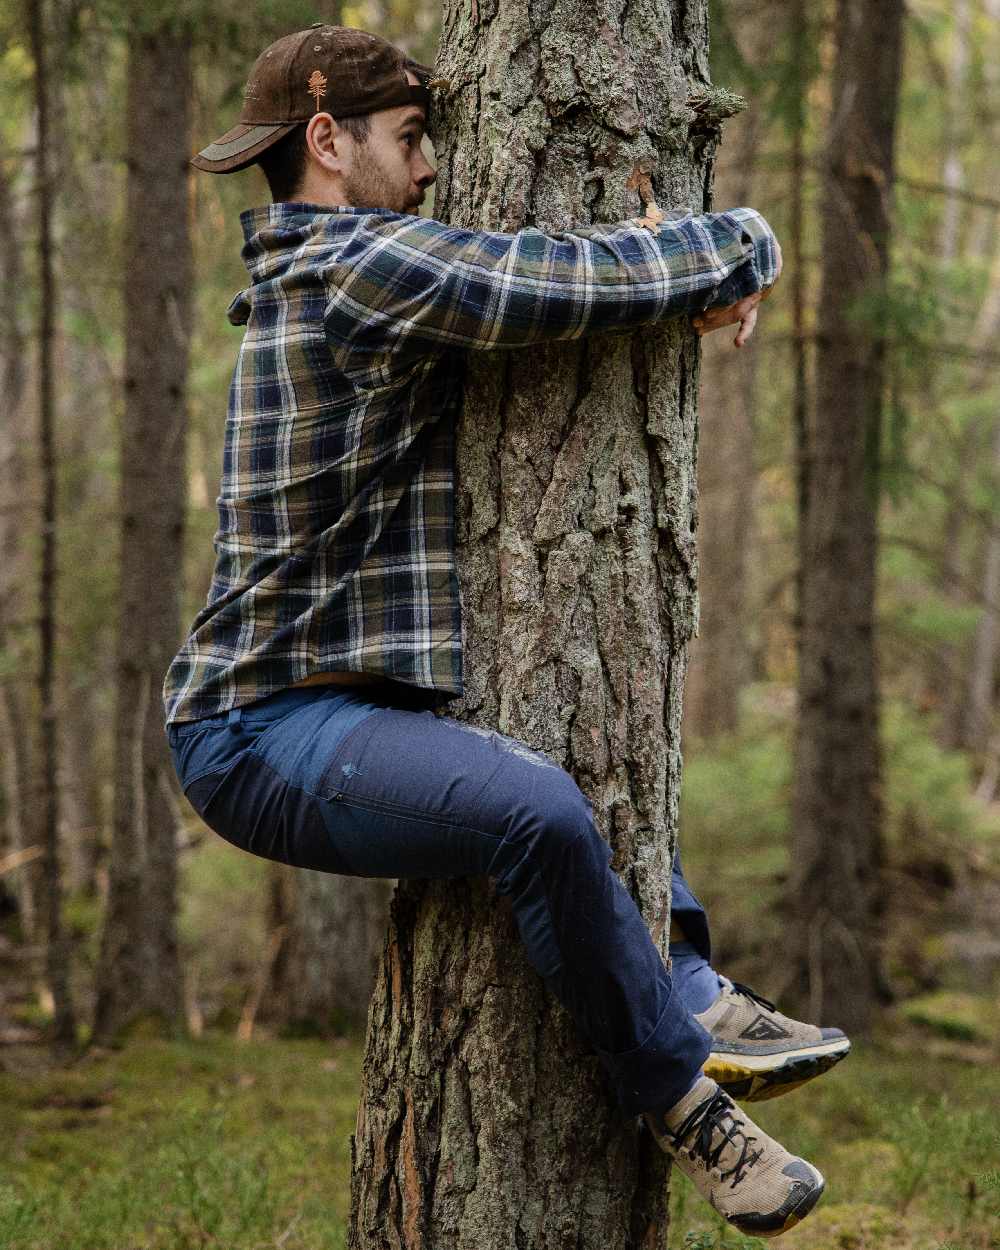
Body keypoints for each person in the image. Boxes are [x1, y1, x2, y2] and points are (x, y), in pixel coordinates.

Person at [164, 24, 850, 1239]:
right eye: (413, 140)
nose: (432, 169)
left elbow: (524, 318)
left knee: (562, 754)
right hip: (256, 728)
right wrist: (739, 245)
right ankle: (690, 1109)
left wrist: (658, 307)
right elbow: (543, 278)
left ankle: (690, 979)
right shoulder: (352, 266)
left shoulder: (355, 278)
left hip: (356, 702)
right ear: (329, 141)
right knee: (531, 806)